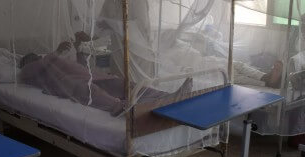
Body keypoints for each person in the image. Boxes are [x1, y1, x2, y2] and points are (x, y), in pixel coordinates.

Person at [18, 42, 192, 116]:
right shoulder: (28, 71)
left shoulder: (50, 60)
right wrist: (53, 53)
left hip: (89, 75)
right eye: (33, 58)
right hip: (69, 85)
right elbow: (31, 69)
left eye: (36, 56)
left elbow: (79, 66)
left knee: (123, 84)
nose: (37, 58)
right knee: (90, 91)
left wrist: (79, 52)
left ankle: (166, 96)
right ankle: (120, 108)